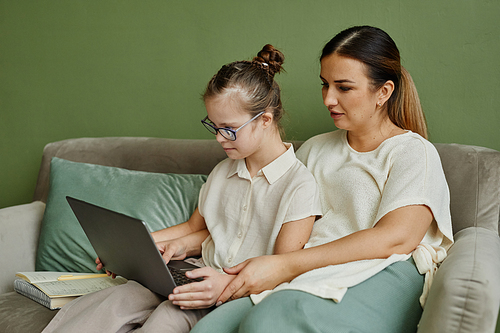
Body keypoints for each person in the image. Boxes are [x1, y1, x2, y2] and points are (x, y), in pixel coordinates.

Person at [190, 26, 454, 333]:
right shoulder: (315, 149)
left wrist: (284, 266)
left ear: (383, 92)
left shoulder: (413, 152)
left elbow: (396, 238)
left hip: (380, 271)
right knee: (207, 329)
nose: (328, 99)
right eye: (325, 85)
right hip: (307, 271)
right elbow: (261, 218)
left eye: (343, 88)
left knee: (267, 324)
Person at [41, 44, 322, 333]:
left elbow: (280, 269)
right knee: (114, 300)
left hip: (236, 291)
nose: (219, 138)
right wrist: (135, 249)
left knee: (167, 317)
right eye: (213, 126)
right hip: (193, 271)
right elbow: (195, 227)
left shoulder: (299, 186)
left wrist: (223, 284)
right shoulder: (224, 171)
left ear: (264, 120)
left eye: (228, 128)